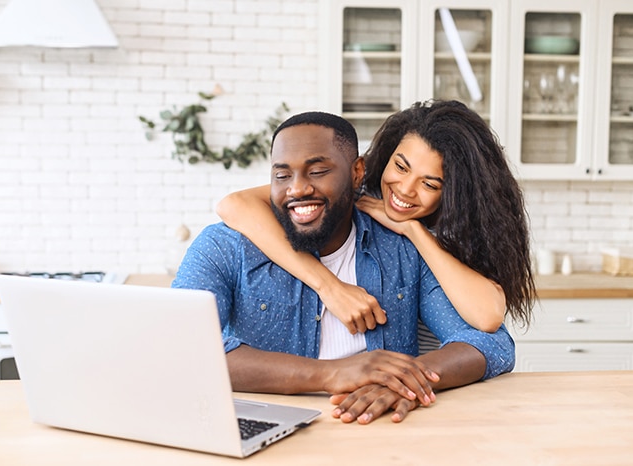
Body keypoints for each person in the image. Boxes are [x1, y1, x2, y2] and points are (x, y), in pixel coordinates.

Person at [172, 110, 515, 425]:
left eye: (319, 171)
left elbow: (491, 342)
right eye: (282, 174)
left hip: (381, 432)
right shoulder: (225, 246)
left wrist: (404, 377)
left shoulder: (403, 248)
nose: (298, 188)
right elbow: (181, 348)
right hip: (267, 432)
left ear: (356, 173)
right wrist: (331, 373)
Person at [216, 100, 536, 352]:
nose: (405, 189)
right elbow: (233, 205)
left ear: (454, 191)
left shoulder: (451, 232)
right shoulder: (351, 196)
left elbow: (489, 316)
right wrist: (330, 287)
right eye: (400, 166)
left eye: (429, 183)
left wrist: (414, 232)